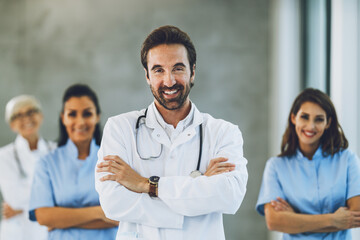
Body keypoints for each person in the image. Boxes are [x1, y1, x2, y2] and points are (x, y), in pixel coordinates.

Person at [95, 25, 248, 240]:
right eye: (158, 70)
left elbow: (229, 196)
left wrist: (145, 185)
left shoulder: (223, 132)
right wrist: (199, 189)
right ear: (147, 75)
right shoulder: (120, 128)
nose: (169, 81)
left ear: (192, 71)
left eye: (178, 68)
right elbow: (113, 203)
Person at [256, 88, 360, 239]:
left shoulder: (347, 159)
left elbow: (356, 216)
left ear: (328, 123)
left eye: (319, 119)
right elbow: (274, 222)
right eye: (304, 117)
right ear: (293, 118)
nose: (311, 126)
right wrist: (333, 220)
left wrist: (295, 220)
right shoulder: (276, 166)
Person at [28, 84, 118, 239]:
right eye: (72, 114)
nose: (80, 122)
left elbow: (120, 216)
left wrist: (61, 219)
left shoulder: (114, 159)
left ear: (97, 116)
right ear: (63, 118)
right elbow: (43, 216)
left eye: (87, 114)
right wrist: (99, 212)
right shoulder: (47, 163)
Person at [0, 95, 55, 240]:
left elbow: (64, 192)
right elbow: (14, 199)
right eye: (18, 115)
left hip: (49, 230)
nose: (26, 118)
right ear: (12, 125)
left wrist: (21, 208)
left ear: (41, 116)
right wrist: (49, 198)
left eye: (31, 111)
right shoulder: (4, 156)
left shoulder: (55, 151)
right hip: (17, 233)